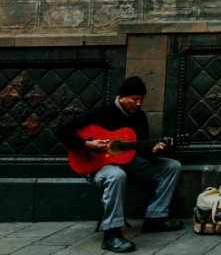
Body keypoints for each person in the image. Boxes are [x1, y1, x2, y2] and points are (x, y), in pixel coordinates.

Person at [56, 76, 183, 253]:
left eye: (141, 99)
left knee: (172, 166)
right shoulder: (102, 112)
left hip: (129, 163)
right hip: (99, 166)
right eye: (134, 99)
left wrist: (154, 150)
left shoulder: (139, 117)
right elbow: (62, 131)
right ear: (122, 97)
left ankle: (156, 218)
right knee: (116, 174)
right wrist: (87, 145)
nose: (138, 103)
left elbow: (141, 151)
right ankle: (112, 233)